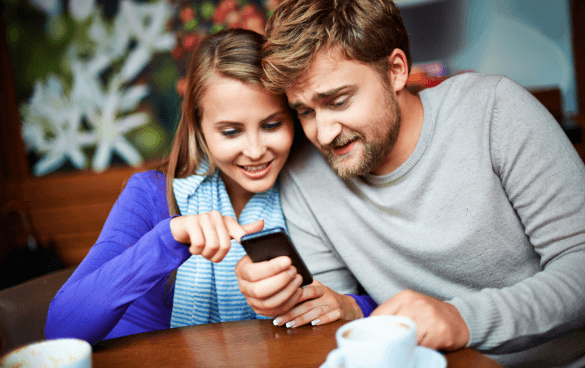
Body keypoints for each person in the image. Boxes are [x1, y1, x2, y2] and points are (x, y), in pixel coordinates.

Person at [234, 0, 585, 367]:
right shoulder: (305, 178)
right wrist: (293, 297)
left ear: (396, 70)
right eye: (304, 111)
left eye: (338, 101)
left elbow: (580, 267)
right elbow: (337, 322)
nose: (323, 133)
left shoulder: (494, 110)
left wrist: (462, 320)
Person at [45, 28, 369, 345]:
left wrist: (355, 306)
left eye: (272, 125)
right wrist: (170, 237)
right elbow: (60, 328)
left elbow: (353, 302)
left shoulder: (307, 189)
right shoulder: (151, 194)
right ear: (199, 128)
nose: (255, 150)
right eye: (231, 132)